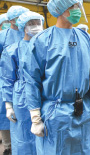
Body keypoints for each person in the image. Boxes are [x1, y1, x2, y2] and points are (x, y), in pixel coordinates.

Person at [23, 0, 90, 154]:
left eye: (79, 6)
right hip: (56, 114)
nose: (78, 10)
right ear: (62, 9)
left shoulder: (86, 38)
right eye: (74, 6)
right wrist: (35, 116)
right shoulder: (43, 41)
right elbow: (31, 80)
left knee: (83, 149)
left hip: (82, 111)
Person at [1, 11, 44, 155]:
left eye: (38, 23)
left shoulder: (46, 47)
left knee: (45, 135)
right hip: (22, 97)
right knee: (23, 135)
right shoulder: (12, 50)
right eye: (31, 24)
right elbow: (7, 79)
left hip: (44, 94)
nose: (36, 26)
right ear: (22, 27)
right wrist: (8, 105)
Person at [0, 5, 29, 155]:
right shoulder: (3, 36)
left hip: (28, 81)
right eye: (19, 17)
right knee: (6, 114)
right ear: (11, 20)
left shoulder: (31, 33)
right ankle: (8, 146)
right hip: (7, 79)